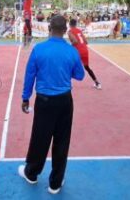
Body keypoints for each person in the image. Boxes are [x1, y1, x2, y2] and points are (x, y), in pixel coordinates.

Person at [18, 15, 85, 195]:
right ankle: (55, 183)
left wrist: (25, 98)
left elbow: (29, 75)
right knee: (62, 141)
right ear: (65, 31)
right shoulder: (72, 51)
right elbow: (80, 75)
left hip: (44, 101)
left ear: (49, 28)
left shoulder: (39, 49)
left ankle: (31, 174)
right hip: (64, 101)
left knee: (40, 138)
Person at [68, 19, 101, 89]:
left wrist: (69, 46)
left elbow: (75, 41)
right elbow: (86, 41)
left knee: (69, 66)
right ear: (76, 24)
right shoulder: (79, 31)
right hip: (85, 50)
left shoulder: (70, 32)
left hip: (78, 51)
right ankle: (97, 83)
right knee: (87, 67)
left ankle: (68, 85)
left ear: (69, 24)